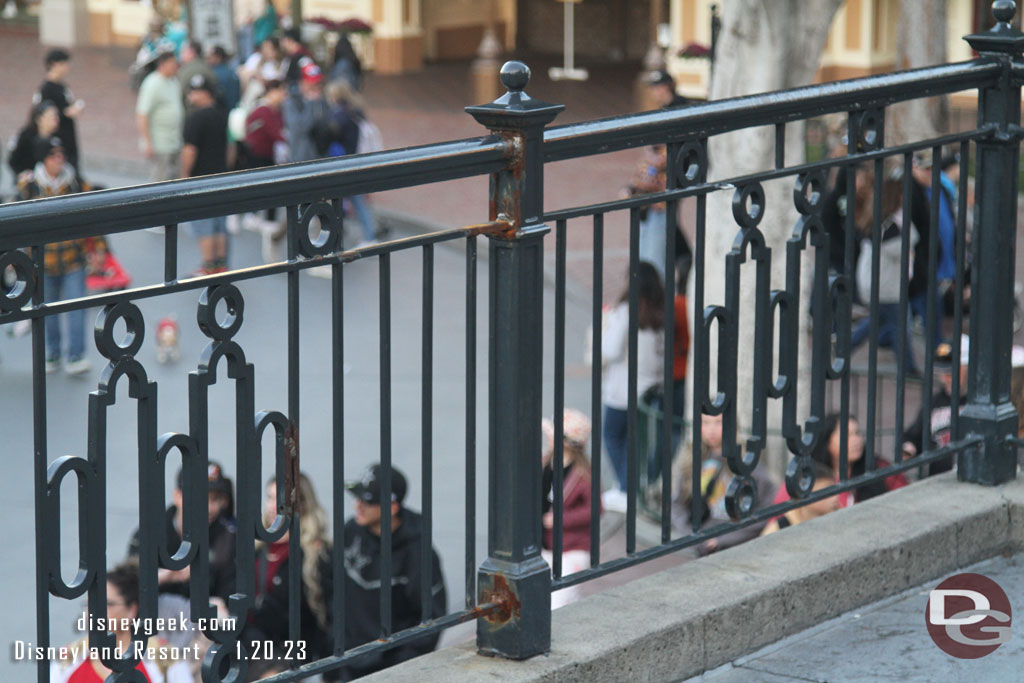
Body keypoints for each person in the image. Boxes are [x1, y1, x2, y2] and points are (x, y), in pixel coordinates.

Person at [341, 464, 447, 679]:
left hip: (391, 669)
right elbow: (333, 589)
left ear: (391, 507)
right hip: (347, 661)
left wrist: (399, 669)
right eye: (357, 497)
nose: (357, 506)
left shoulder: (417, 553)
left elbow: (430, 620)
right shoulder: (351, 531)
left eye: (368, 501)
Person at [16, 137, 102, 375]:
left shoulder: (74, 182)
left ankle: (76, 355)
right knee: (47, 314)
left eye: (61, 154)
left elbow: (93, 216)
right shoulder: (30, 187)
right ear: (44, 159)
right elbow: (18, 224)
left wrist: (100, 251)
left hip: (74, 259)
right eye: (54, 155)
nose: (60, 159)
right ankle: (52, 354)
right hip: (43, 262)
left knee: (76, 309)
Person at [50, 561, 193, 683]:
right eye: (89, 605)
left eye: (108, 604)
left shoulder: (163, 658)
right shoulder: (67, 659)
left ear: (132, 610)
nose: (94, 612)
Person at [248, 473, 334, 672]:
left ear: (302, 505)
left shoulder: (314, 552)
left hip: (292, 650)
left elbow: (320, 615)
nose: (271, 506)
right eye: (269, 498)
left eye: (279, 501)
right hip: (249, 641)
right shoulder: (256, 546)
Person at [600, 262, 665, 512]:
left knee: (613, 435)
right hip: (650, 388)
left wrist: (606, 323)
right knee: (636, 439)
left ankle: (627, 489)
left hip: (622, 389)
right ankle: (630, 485)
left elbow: (610, 350)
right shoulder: (660, 311)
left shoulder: (627, 311)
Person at [126, 461, 237, 605]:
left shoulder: (227, 535)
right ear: (177, 496)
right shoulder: (149, 534)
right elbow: (127, 586)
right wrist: (163, 577)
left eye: (216, 499)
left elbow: (233, 590)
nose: (210, 508)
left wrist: (220, 603)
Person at [670, 413, 776, 553]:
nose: (711, 429)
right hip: (700, 544)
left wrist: (724, 539)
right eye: (705, 423)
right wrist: (690, 535)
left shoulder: (747, 461)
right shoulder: (692, 459)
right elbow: (677, 504)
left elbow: (766, 507)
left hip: (736, 548)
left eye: (718, 422)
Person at [850, 166, 921, 375]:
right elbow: (904, 247)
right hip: (884, 285)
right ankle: (908, 368)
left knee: (880, 320)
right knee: (899, 324)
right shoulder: (889, 226)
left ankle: (843, 349)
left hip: (878, 283)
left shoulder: (880, 222)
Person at [540, 409, 596, 608]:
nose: (548, 438)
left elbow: (595, 509)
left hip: (571, 548)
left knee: (558, 601)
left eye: (552, 434)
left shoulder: (583, 474)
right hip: (542, 545)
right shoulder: (545, 462)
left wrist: (560, 519)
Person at [181, 75, 230, 275]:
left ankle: (208, 266)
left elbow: (190, 150)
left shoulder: (196, 117)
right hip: (221, 177)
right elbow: (231, 147)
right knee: (219, 223)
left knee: (204, 225)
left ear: (204, 94)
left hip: (201, 179)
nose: (190, 95)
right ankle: (221, 265)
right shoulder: (222, 115)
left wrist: (184, 175)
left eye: (194, 91)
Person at [902, 336, 969, 477]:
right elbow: (915, 434)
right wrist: (908, 446)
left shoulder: (980, 403)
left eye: (950, 373)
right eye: (942, 373)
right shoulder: (935, 402)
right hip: (939, 481)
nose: (945, 379)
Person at [323, 80, 378, 248]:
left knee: (351, 201)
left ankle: (366, 237)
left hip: (346, 164)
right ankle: (367, 236)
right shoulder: (355, 111)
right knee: (356, 201)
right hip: (356, 160)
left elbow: (331, 135)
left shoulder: (339, 115)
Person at [136, 51, 184, 183]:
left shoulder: (174, 81)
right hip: (159, 142)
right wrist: (147, 142)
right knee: (159, 179)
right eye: (173, 64)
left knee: (174, 177)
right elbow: (142, 114)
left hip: (174, 140)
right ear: (163, 65)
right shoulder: (152, 83)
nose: (176, 66)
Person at [34, 49, 84, 175]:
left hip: (69, 137)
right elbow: (45, 113)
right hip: (59, 140)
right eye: (63, 64)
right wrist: (66, 113)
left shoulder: (62, 86)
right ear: (53, 64)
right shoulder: (46, 89)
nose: (67, 67)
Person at [760, 460, 839, 534]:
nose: (834, 497)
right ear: (804, 493)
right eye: (824, 491)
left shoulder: (838, 515)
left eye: (832, 491)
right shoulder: (782, 527)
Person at [284, 61, 330, 164]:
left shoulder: (322, 100)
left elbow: (328, 124)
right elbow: (300, 129)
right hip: (300, 160)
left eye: (319, 84)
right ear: (301, 83)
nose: (316, 88)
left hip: (322, 158)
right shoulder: (292, 102)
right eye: (312, 84)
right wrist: (311, 104)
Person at [8, 99, 60, 178]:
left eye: (57, 116)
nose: (56, 120)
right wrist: (21, 174)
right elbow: (13, 161)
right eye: (52, 117)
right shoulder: (26, 136)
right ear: (39, 119)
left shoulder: (58, 138)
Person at [178, 39, 217, 115]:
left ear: (191, 52)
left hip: (191, 113)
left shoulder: (186, 70)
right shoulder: (207, 67)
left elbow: (180, 92)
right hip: (211, 112)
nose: (181, 55)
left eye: (183, 52)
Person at [207, 45, 240, 111]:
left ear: (218, 57)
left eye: (210, 56)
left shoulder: (214, 74)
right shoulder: (231, 72)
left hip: (221, 111)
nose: (208, 59)